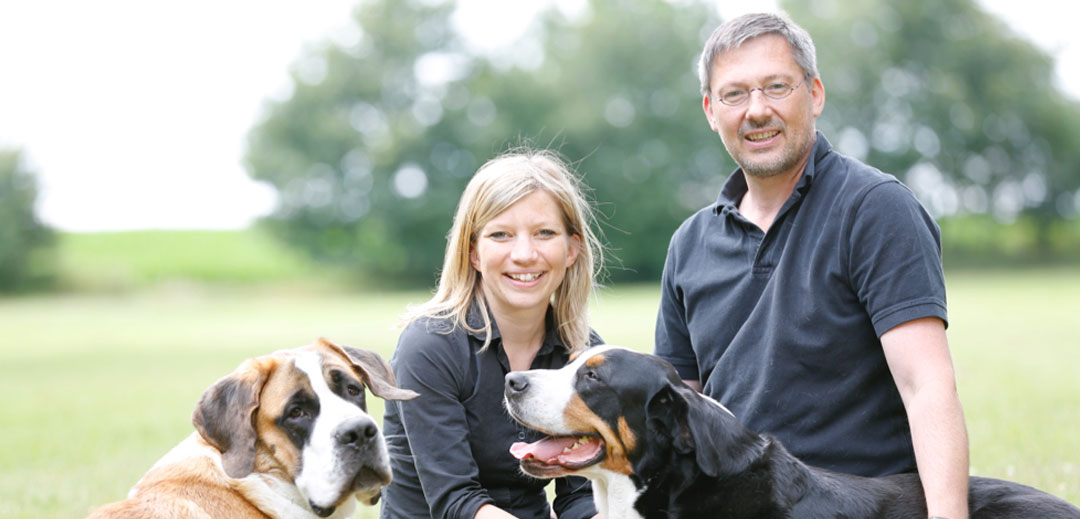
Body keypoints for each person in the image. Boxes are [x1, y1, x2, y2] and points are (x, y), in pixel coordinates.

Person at [654, 12, 970, 519]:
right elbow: (674, 414)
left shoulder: (874, 207)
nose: (757, 110)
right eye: (735, 94)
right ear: (712, 111)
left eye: (776, 87)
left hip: (861, 507)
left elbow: (926, 384)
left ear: (815, 94)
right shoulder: (688, 244)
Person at [380, 149, 604, 519]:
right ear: (473, 253)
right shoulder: (430, 346)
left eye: (544, 233)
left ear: (572, 249)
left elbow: (580, 496)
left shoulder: (583, 353)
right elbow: (456, 502)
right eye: (500, 235)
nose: (524, 254)